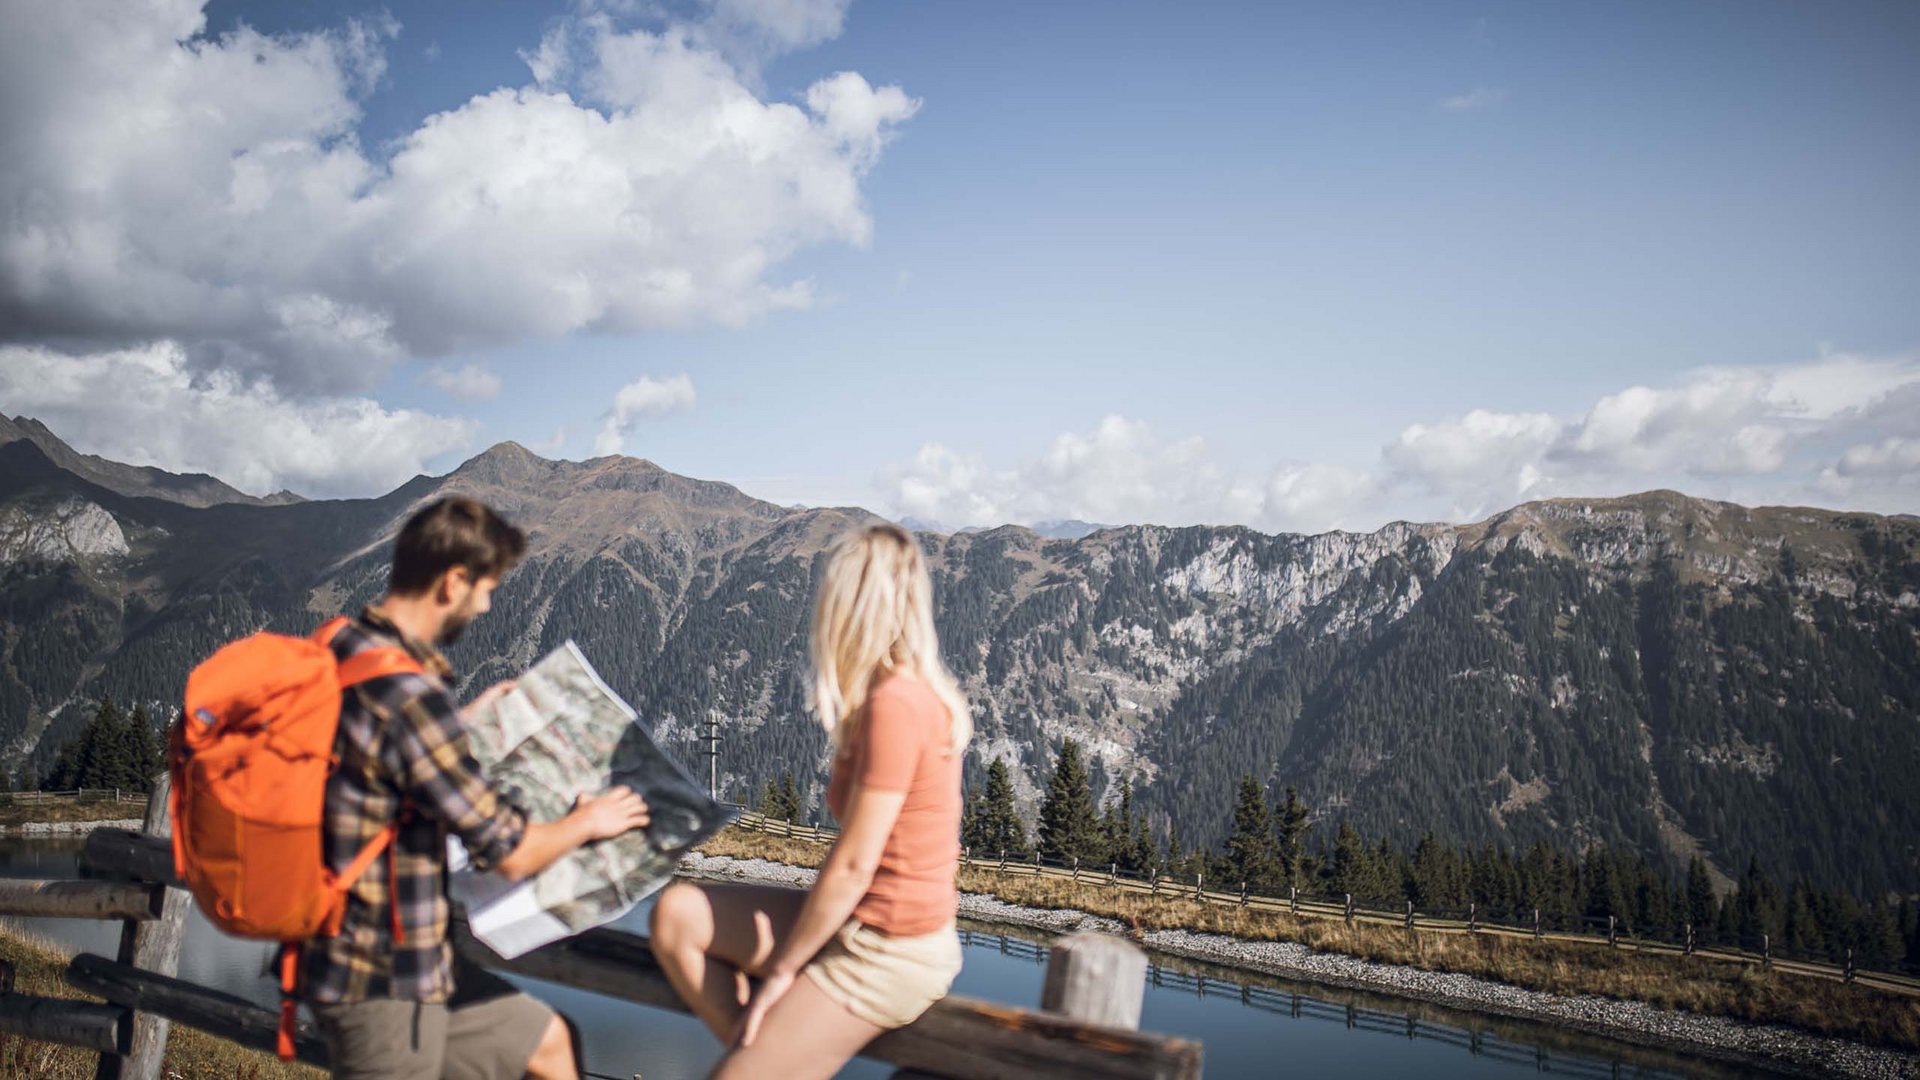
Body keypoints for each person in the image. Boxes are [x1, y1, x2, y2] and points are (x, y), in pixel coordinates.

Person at [302, 495, 653, 1080]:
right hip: (381, 977)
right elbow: (511, 853)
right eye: (485, 588)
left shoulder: (345, 644)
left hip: (396, 960)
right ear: (453, 582)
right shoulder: (412, 698)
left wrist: (464, 725)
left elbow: (376, 754)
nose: (487, 604)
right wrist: (590, 821)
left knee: (548, 1044)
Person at [651, 523, 970, 1080]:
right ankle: (762, 1061)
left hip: (889, 949)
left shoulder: (896, 704)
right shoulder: (907, 694)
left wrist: (783, 975)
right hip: (857, 922)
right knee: (677, 916)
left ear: (849, 607)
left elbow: (852, 866)